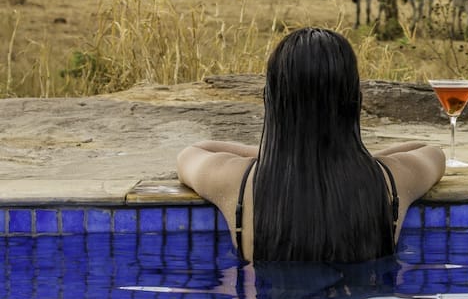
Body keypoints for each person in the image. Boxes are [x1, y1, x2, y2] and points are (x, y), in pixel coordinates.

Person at [177, 27, 446, 262]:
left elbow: (193, 152)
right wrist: (351, 154)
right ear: (353, 100)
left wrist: (281, 154)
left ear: (272, 101)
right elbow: (430, 152)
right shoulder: (390, 179)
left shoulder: (237, 182)